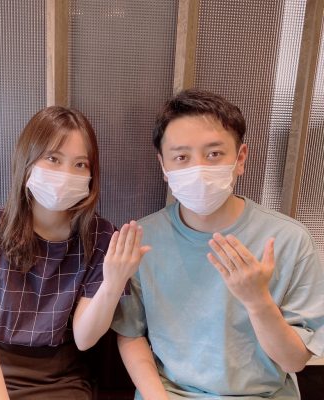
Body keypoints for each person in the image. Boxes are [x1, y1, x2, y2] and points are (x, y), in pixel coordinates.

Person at [112, 89, 324, 399]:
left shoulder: (289, 240)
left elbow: (294, 361)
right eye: (181, 157)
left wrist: (257, 301)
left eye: (213, 154)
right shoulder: (142, 238)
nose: (198, 168)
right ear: (163, 166)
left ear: (240, 158)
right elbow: (130, 334)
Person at [0, 106, 150, 399]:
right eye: (53, 159)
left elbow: (84, 339)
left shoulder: (102, 238)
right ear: (27, 162)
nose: (66, 174)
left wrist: (113, 283)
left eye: (80, 164)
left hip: (61, 375)